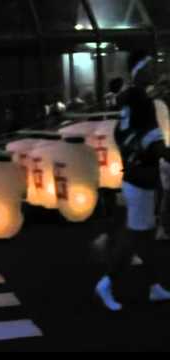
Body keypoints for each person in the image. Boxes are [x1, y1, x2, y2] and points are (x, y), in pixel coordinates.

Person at [95, 51, 170, 312]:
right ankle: (107, 282)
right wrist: (159, 152)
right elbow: (154, 141)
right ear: (139, 69)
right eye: (150, 66)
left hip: (136, 176)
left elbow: (121, 134)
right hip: (140, 179)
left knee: (145, 236)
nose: (154, 70)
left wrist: (132, 152)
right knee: (134, 237)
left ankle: (153, 286)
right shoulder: (142, 100)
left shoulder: (129, 98)